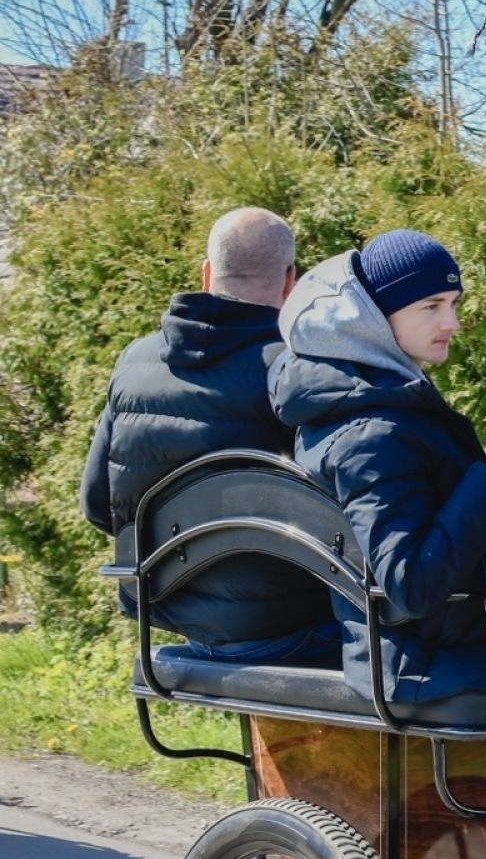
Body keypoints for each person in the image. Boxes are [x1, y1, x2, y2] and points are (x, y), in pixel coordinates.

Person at [269, 230, 486, 707]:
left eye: (453, 303)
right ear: (372, 317)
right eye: (430, 306)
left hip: (459, 639)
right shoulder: (372, 432)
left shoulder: (379, 408)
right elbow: (411, 584)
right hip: (436, 661)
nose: (451, 322)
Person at [79, 207, 335, 662]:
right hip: (295, 624)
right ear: (290, 280)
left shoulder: (135, 361)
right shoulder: (298, 368)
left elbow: (98, 506)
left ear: (207, 272)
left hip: (172, 614)